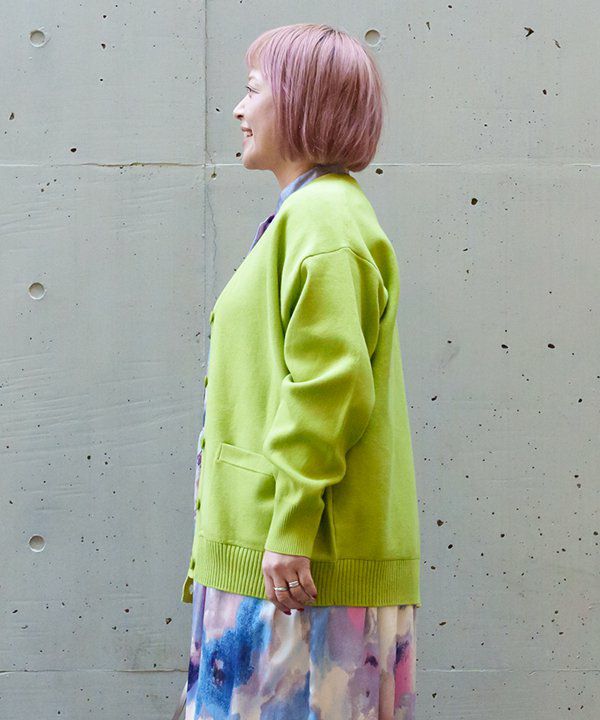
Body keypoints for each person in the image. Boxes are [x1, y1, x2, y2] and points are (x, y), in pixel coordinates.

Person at [181, 23, 421, 720]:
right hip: (280, 567)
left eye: (254, 90)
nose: (239, 109)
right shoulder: (309, 215)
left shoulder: (324, 221)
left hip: (297, 576)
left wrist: (288, 529)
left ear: (299, 102)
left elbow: (328, 386)